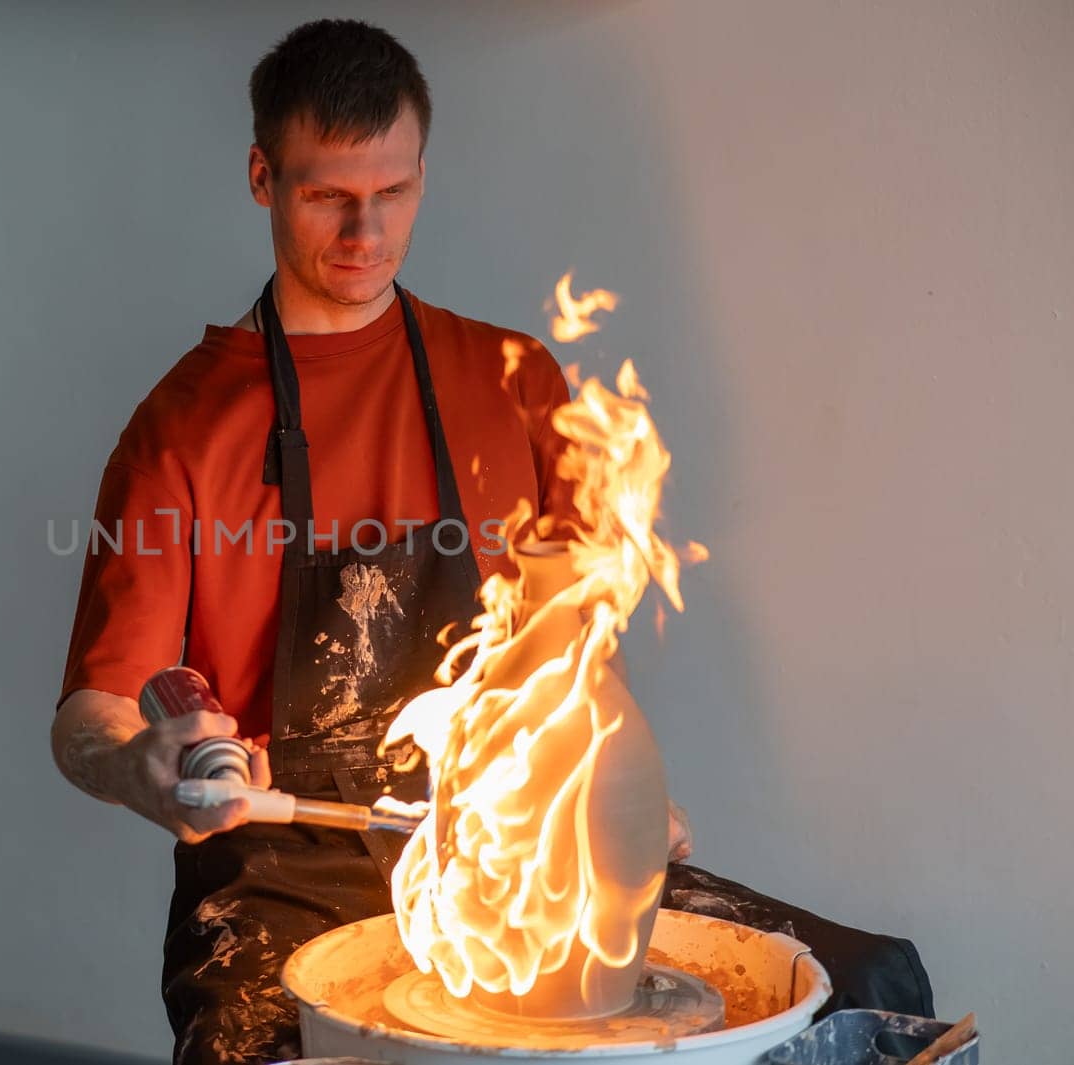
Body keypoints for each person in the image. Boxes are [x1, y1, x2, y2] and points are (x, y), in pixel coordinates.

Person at [52, 19, 932, 1065]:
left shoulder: (513, 381)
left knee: (867, 990)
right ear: (262, 177)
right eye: (328, 195)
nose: (364, 232)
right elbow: (88, 717)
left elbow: (570, 653)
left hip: (511, 849)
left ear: (421, 173)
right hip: (286, 869)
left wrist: (623, 790)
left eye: (393, 193)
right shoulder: (183, 429)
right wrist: (139, 764)